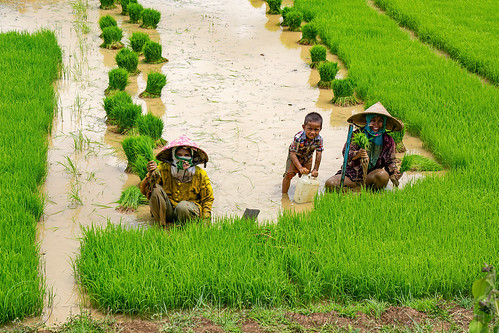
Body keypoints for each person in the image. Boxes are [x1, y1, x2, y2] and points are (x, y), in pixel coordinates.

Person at [325, 102, 403, 191]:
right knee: (330, 184)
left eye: (380, 121)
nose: (376, 124)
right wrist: (358, 154)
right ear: (367, 121)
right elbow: (346, 153)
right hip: (351, 176)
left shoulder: (388, 140)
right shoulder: (357, 135)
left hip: (371, 177)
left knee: (383, 175)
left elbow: (390, 161)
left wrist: (394, 171)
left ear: (384, 123)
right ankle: (356, 191)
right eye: (373, 120)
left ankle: (367, 192)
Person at [140, 134, 214, 225]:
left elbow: (207, 199)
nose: (182, 159)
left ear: (191, 157)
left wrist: (206, 220)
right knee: (155, 189)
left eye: (186, 155)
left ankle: (182, 227)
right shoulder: (164, 169)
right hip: (169, 209)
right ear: (173, 156)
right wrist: (151, 175)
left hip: (187, 210)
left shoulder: (200, 174)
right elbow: (144, 190)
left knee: (182, 207)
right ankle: (163, 224)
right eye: (179, 155)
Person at [282, 112, 323, 193]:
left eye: (316, 130)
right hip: (295, 157)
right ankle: (284, 196)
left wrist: (315, 169)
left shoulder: (319, 139)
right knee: (288, 175)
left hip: (307, 157)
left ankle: (301, 194)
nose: (312, 132)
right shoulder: (298, 138)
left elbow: (319, 153)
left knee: (306, 176)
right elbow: (292, 153)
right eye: (309, 129)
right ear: (304, 127)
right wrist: (300, 167)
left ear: (320, 129)